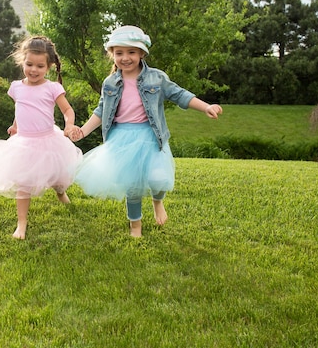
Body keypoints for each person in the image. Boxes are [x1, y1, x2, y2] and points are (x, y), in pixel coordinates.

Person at [68, 25, 223, 237]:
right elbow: (102, 110)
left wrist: (206, 106)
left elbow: (180, 95)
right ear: (112, 54)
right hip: (122, 138)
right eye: (119, 53)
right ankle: (135, 225)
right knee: (133, 185)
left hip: (150, 136)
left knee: (159, 179)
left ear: (142, 53)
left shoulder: (156, 78)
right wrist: (84, 131)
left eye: (131, 52)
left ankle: (157, 201)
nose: (125, 58)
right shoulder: (110, 82)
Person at [0, 36, 82, 240]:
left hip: (48, 139)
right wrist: (15, 125)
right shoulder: (16, 87)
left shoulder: (52, 88)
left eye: (40, 66)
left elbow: (67, 110)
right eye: (29, 64)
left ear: (49, 66)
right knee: (24, 183)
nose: (33, 70)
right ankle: (22, 224)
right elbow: (21, 108)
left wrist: (69, 125)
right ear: (22, 61)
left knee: (57, 174)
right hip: (24, 142)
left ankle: (61, 192)